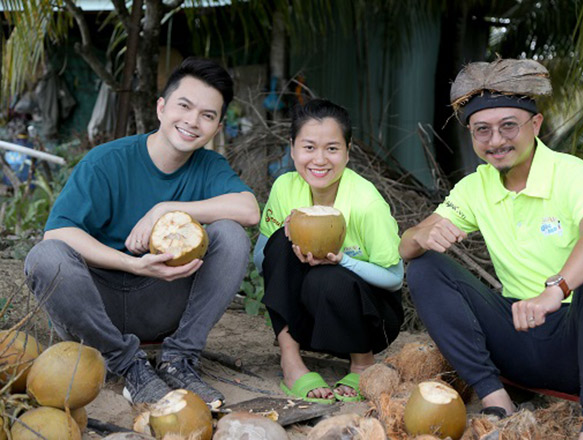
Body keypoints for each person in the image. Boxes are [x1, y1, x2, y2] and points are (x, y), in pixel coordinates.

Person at [399, 60, 583, 439]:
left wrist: (553, 292)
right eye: (483, 130)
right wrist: (420, 236)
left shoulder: (570, 172)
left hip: (582, 347)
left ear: (536, 125)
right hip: (517, 341)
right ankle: (496, 397)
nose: (496, 141)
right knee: (424, 267)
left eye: (509, 125)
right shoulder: (475, 187)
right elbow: (406, 245)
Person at [24, 58, 260, 406]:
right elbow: (58, 233)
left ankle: (178, 360)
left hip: (160, 299)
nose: (192, 122)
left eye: (207, 116)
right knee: (45, 257)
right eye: (184, 106)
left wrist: (166, 209)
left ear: (217, 126)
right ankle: (129, 365)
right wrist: (131, 263)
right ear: (161, 108)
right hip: (95, 306)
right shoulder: (107, 161)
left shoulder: (210, 166)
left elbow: (249, 210)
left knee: (231, 234)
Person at [253, 99, 404, 403]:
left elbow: (395, 279)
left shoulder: (366, 202)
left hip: (372, 322)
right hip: (309, 321)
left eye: (332, 149)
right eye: (309, 147)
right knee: (280, 242)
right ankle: (291, 361)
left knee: (330, 278)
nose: (319, 159)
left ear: (348, 152)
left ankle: (362, 364)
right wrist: (292, 238)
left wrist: (343, 261)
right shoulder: (285, 188)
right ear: (292, 148)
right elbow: (261, 261)